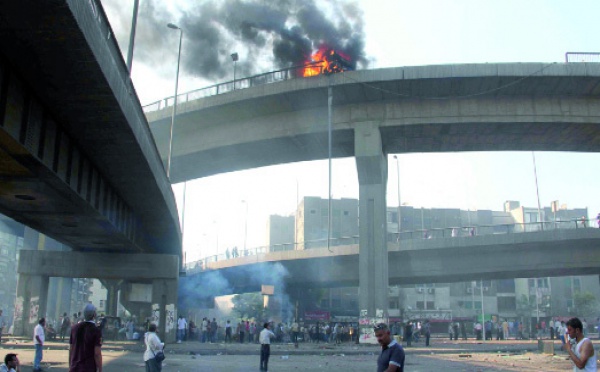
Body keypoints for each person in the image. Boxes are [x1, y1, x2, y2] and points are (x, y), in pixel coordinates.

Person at [69, 304, 102, 372]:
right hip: (88, 368)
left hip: (75, 367)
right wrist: (100, 369)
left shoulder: (74, 328)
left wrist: (70, 366)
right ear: (94, 315)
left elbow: (71, 350)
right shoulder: (96, 331)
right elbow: (97, 353)